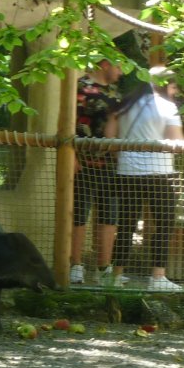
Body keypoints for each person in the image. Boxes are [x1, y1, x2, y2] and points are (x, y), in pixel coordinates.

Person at [105, 64, 184, 292]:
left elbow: (110, 138)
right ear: (167, 85)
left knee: (126, 224)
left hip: (127, 172)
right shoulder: (168, 107)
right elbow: (177, 143)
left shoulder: (125, 105)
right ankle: (158, 277)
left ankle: (116, 276)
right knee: (164, 224)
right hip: (158, 173)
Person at [68, 57, 124, 285]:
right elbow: (68, 122)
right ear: (105, 64)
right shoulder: (81, 87)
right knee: (80, 214)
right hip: (84, 162)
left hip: (110, 164)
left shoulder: (115, 93)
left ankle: (103, 269)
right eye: (119, 66)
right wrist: (71, 155)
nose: (121, 72)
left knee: (110, 215)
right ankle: (75, 265)